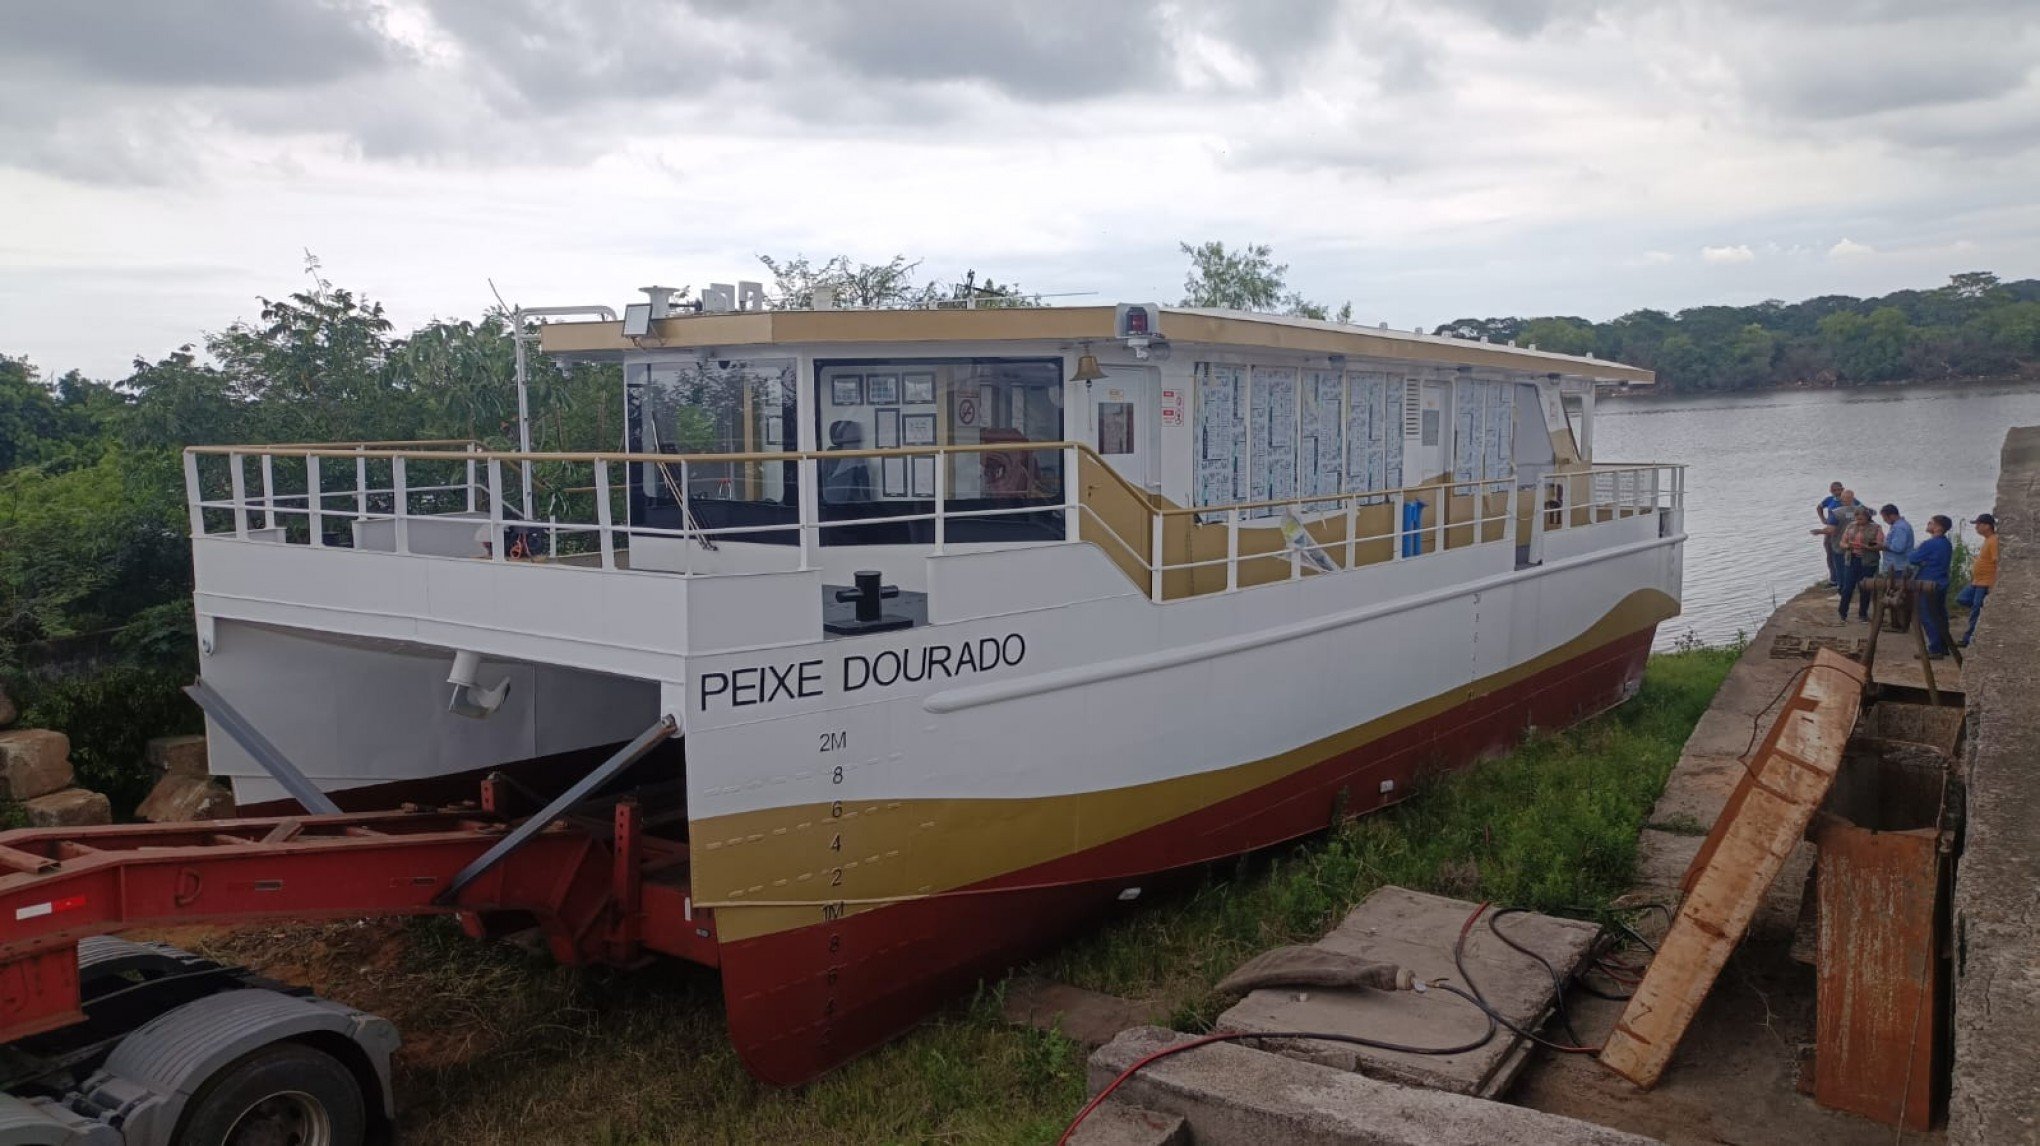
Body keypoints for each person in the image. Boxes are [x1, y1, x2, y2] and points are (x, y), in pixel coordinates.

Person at [1909, 514, 1956, 657]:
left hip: (1928, 582)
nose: (1928, 525)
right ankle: (1944, 645)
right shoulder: (1946, 544)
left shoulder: (1930, 544)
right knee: (1940, 614)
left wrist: (1919, 555)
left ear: (1938, 527)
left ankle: (1935, 648)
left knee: (1927, 615)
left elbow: (1913, 558)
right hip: (1941, 581)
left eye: (1931, 523)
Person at [1836, 505, 1883, 622]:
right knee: (1848, 587)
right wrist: (1847, 546)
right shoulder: (1850, 526)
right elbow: (1842, 542)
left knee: (1865, 588)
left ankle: (1863, 614)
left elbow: (1880, 545)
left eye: (1861, 518)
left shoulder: (1876, 528)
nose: (1858, 520)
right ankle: (1842, 613)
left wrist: (1866, 547)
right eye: (1857, 518)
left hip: (1868, 561)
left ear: (1867, 517)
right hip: (1852, 560)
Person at [1959, 513, 1998, 647]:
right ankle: (1986, 610)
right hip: (1977, 581)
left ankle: (1968, 638)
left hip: (1985, 582)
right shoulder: (1987, 540)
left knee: (1976, 610)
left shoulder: (1993, 540)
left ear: (1987, 526)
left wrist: (1993, 584)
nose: (1976, 527)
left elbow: (1997, 562)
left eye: (1978, 524)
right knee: (1962, 598)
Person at [1811, 488, 1861, 592]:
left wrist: (1819, 531)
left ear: (1842, 500)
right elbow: (1872, 514)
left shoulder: (1836, 513)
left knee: (1840, 567)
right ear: (1853, 498)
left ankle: (1842, 590)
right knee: (1853, 566)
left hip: (1840, 544)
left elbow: (1830, 530)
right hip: (1856, 544)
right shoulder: (1861, 511)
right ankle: (1855, 586)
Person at [820, 419, 874, 505]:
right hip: (836, 509)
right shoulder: (832, 456)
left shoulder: (861, 458)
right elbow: (833, 495)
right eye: (854, 437)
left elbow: (865, 495)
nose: (858, 442)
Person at [1815, 481, 1846, 586]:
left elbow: (1860, 510)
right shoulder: (1829, 500)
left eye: (1839, 489)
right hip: (1829, 531)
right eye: (1834, 490)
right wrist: (1823, 519)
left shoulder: (1848, 500)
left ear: (1843, 489)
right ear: (1831, 491)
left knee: (1842, 556)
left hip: (1843, 532)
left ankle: (1844, 580)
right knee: (1830, 555)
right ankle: (1833, 579)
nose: (1837, 492)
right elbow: (1819, 507)